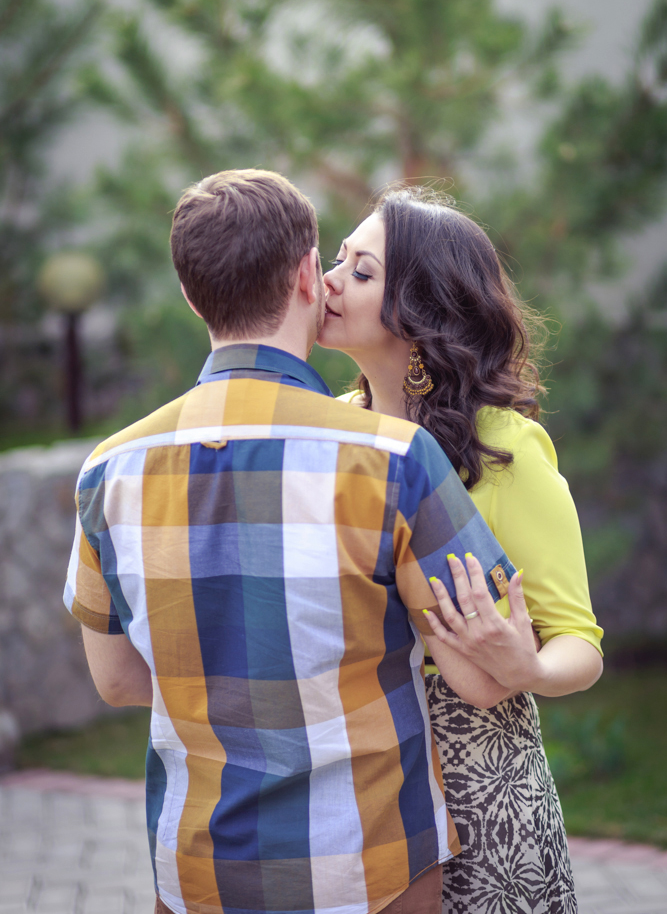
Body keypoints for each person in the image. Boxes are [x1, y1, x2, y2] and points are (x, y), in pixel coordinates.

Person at [63, 169, 534, 914]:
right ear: (308, 276)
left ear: (192, 297)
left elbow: (117, 681)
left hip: (196, 869)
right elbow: (481, 676)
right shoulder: (396, 458)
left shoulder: (107, 471)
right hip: (373, 864)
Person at [318, 185, 604, 914]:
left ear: (417, 313)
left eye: (361, 271)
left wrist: (530, 665)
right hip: (361, 794)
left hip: (484, 799)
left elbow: (579, 640)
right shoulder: (329, 431)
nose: (328, 279)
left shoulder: (503, 446)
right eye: (336, 259)